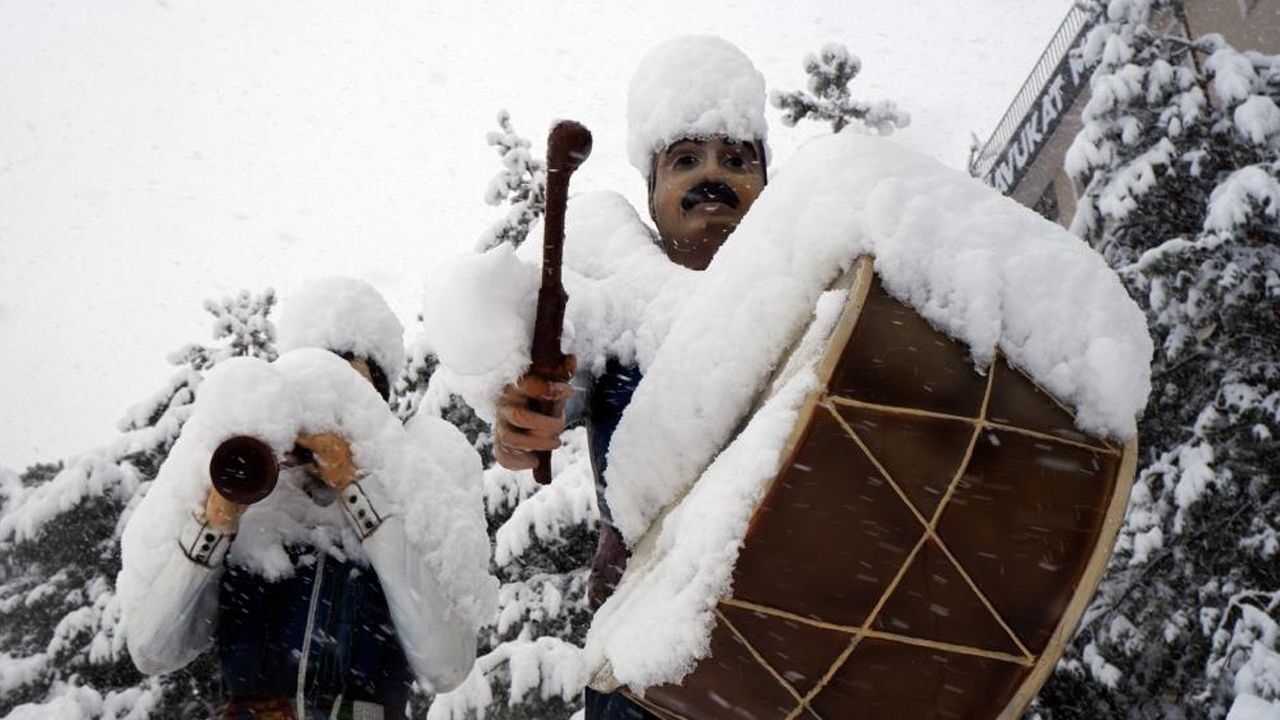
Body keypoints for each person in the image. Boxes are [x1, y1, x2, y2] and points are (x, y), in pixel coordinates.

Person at [491, 35, 770, 720]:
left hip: (793, 645)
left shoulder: (817, 300)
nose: (714, 175)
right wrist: (522, 424)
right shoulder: (616, 306)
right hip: (646, 662)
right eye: (685, 160)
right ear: (651, 194)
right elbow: (545, 408)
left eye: (736, 159)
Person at [118, 277, 495, 720]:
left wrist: (357, 488)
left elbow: (447, 664)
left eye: (349, 391)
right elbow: (152, 650)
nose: (325, 407)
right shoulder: (250, 472)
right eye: (313, 385)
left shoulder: (423, 469)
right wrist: (216, 519)